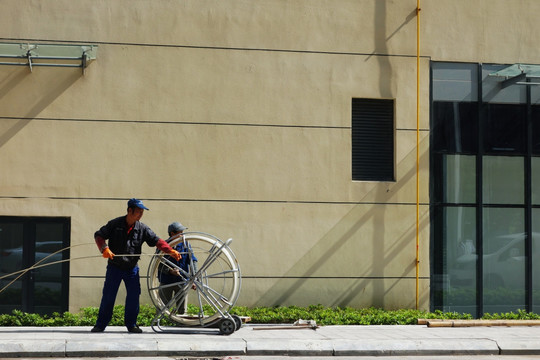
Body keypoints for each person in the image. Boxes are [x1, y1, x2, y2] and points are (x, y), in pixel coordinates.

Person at [91, 198, 181, 333]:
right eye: (138, 211)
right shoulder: (115, 224)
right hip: (114, 267)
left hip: (131, 269)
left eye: (142, 212)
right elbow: (99, 235)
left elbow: (156, 240)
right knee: (109, 295)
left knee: (133, 296)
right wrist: (104, 248)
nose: (140, 214)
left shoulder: (142, 228)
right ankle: (100, 325)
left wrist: (170, 250)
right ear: (129, 210)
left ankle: (131, 325)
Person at [158, 222, 197, 314]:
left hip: (182, 281)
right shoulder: (164, 245)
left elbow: (192, 260)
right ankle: (161, 322)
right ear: (172, 233)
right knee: (162, 307)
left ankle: (181, 323)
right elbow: (158, 264)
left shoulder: (185, 245)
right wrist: (170, 271)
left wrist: (194, 278)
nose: (182, 234)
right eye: (180, 232)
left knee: (182, 309)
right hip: (166, 281)